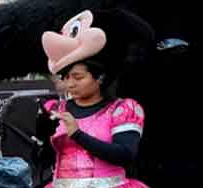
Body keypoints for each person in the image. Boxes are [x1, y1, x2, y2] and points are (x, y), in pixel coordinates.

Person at [41, 10, 148, 188]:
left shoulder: (122, 109)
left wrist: (78, 134)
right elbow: (43, 158)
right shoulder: (56, 109)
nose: (70, 84)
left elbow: (124, 155)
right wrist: (42, 132)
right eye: (66, 78)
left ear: (99, 78)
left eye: (78, 77)